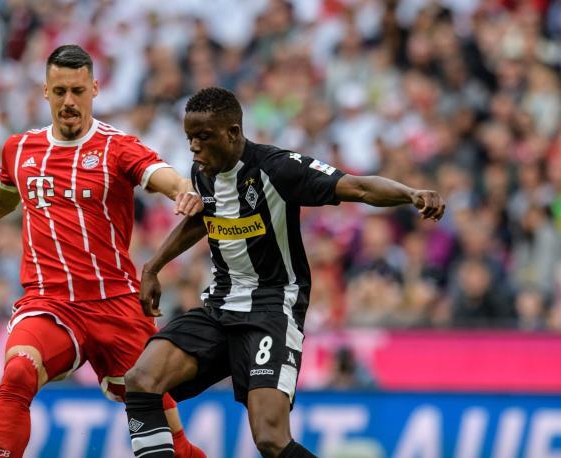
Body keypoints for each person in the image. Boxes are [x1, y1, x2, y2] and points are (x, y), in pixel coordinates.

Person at [0, 45, 205, 458]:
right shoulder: (20, 149)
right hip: (50, 303)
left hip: (118, 304)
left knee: (171, 437)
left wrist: (184, 190)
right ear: (45, 92)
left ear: (95, 90)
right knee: (18, 372)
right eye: (60, 91)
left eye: (78, 91)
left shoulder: (116, 147)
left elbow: (160, 174)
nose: (69, 101)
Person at [123, 87, 445, 458]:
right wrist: (153, 266)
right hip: (220, 307)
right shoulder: (204, 171)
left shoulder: (278, 168)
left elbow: (358, 186)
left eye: (203, 137)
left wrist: (410, 193)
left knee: (271, 439)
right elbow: (202, 218)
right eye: (190, 138)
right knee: (141, 381)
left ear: (233, 132)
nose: (194, 148)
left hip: (272, 309)